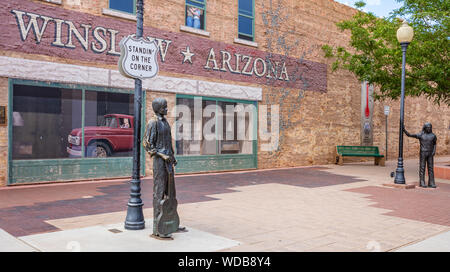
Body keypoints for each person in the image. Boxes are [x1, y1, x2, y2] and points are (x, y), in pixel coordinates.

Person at [143, 98, 186, 238]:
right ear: (158, 108)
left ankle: (171, 221)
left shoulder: (165, 122)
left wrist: (172, 156)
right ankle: (158, 227)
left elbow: (168, 142)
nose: (167, 109)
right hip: (160, 162)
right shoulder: (153, 123)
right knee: (159, 191)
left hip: (168, 160)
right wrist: (163, 156)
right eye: (165, 107)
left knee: (171, 191)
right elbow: (147, 144)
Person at [404, 122, 437, 188]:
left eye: (430, 127)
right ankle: (422, 182)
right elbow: (410, 135)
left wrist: (434, 151)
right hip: (423, 153)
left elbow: (434, 144)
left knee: (431, 168)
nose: (429, 129)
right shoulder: (421, 135)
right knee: (422, 168)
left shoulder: (433, 136)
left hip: (430, 153)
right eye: (428, 127)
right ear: (425, 128)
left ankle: (431, 182)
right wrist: (404, 130)